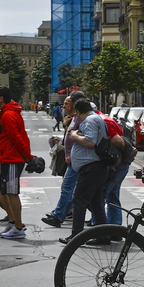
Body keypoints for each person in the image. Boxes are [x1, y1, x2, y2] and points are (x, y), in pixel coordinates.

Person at [57, 98, 110, 244]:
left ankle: (76, 236)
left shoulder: (90, 120)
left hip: (91, 168)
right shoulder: (96, 118)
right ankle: (103, 236)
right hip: (95, 167)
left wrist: (74, 136)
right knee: (96, 203)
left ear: (79, 112)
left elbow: (90, 141)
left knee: (79, 200)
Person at [0, 86, 34, 239]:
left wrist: (27, 156)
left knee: (12, 193)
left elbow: (16, 138)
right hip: (8, 158)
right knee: (1, 189)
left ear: (1, 99)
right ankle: (13, 222)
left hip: (12, 158)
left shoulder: (8, 115)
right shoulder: (8, 113)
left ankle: (18, 227)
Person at [42, 91, 85, 228]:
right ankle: (63, 212)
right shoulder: (74, 117)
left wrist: (67, 126)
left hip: (76, 158)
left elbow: (78, 137)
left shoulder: (80, 117)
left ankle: (59, 215)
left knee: (69, 187)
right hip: (73, 157)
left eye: (68, 102)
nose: (65, 105)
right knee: (75, 189)